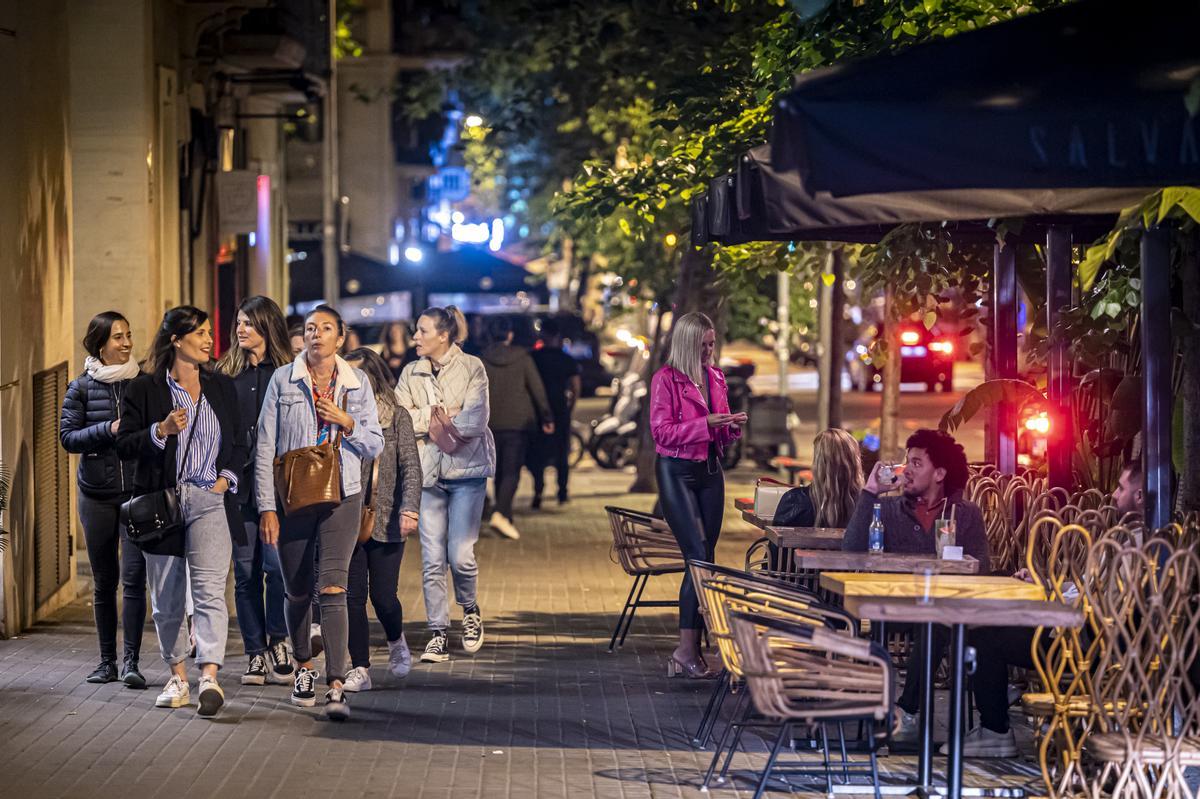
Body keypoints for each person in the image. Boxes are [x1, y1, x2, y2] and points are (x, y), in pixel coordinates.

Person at [952, 460, 1147, 758]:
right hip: (1085, 638)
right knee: (994, 619)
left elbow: (1102, 601)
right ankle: (996, 695)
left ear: (1141, 496)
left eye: (1121, 488)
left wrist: (1049, 593)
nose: (1115, 496)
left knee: (984, 636)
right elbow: (1089, 587)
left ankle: (995, 730)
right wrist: (1047, 584)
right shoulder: (1135, 537)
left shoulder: (1137, 545)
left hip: (1085, 647)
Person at [255, 304, 384, 721]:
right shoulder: (283, 380)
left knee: (333, 588)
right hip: (294, 496)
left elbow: (375, 444)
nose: (316, 335)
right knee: (296, 589)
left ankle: (335, 683)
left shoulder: (356, 382)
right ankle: (302, 668)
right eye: (311, 328)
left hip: (342, 493)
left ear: (340, 337)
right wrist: (266, 508)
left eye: (326, 328)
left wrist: (347, 421)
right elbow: (264, 448)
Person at [116, 306, 246, 717]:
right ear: (176, 339)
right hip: (163, 502)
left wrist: (225, 479)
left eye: (210, 333)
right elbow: (124, 446)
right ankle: (178, 677)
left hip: (210, 499)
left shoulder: (221, 387)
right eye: (201, 334)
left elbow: (239, 443)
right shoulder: (145, 389)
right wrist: (161, 431)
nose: (210, 340)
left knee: (209, 591)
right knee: (168, 596)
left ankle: (209, 675)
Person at [843, 428, 989, 739]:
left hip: (946, 611)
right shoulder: (891, 510)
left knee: (936, 619)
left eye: (917, 463)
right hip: (895, 607)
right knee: (931, 618)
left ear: (939, 473)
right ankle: (903, 712)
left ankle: (907, 710)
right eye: (907, 462)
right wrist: (870, 491)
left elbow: (982, 569)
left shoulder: (965, 515)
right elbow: (852, 550)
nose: (907, 470)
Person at [395, 306, 496, 665]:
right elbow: (401, 420)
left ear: (443, 335)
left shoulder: (472, 368)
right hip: (427, 475)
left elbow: (474, 420)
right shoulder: (411, 371)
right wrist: (442, 414)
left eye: (422, 331)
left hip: (467, 473)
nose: (415, 338)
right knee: (431, 559)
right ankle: (438, 631)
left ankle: (469, 609)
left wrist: (432, 420)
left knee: (461, 555)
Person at [649, 311, 745, 679]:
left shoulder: (715, 376)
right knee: (697, 557)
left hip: (709, 471)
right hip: (676, 471)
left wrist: (729, 428)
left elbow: (718, 427)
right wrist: (705, 424)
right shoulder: (666, 380)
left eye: (712, 344)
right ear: (688, 344)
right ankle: (686, 649)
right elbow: (662, 433)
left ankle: (691, 650)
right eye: (704, 345)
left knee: (706, 555)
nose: (710, 351)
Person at [59, 311, 148, 688]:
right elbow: (67, 437)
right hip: (95, 495)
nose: (126, 343)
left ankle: (131, 662)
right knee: (103, 581)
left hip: (137, 494)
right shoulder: (80, 387)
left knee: (133, 580)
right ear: (100, 344)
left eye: (128, 336)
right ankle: (106, 661)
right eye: (117, 337)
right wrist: (106, 429)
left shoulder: (143, 384)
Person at [215, 296, 295, 687]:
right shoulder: (225, 373)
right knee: (244, 573)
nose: (241, 329)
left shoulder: (288, 372)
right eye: (239, 322)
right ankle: (254, 653)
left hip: (278, 488)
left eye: (249, 323)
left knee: (276, 569)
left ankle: (279, 640)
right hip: (238, 486)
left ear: (267, 326)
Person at [341, 348, 422, 692]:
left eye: (360, 376)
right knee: (352, 597)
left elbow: (411, 466)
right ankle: (359, 667)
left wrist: (410, 508)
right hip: (346, 518)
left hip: (387, 518)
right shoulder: (339, 414)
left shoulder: (396, 415)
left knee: (384, 597)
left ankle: (396, 640)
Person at [479, 316, 553, 540]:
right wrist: (546, 416)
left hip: (489, 423)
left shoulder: (482, 360)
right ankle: (501, 513)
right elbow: (537, 389)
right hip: (517, 423)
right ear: (509, 335)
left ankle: (504, 514)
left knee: (497, 469)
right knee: (511, 471)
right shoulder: (523, 358)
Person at [527, 318, 582, 508]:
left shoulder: (534, 357)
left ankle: (538, 492)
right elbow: (575, 386)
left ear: (542, 335)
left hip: (539, 412)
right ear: (557, 336)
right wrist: (570, 407)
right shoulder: (566, 359)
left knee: (537, 454)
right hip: (560, 410)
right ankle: (562, 493)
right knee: (561, 454)